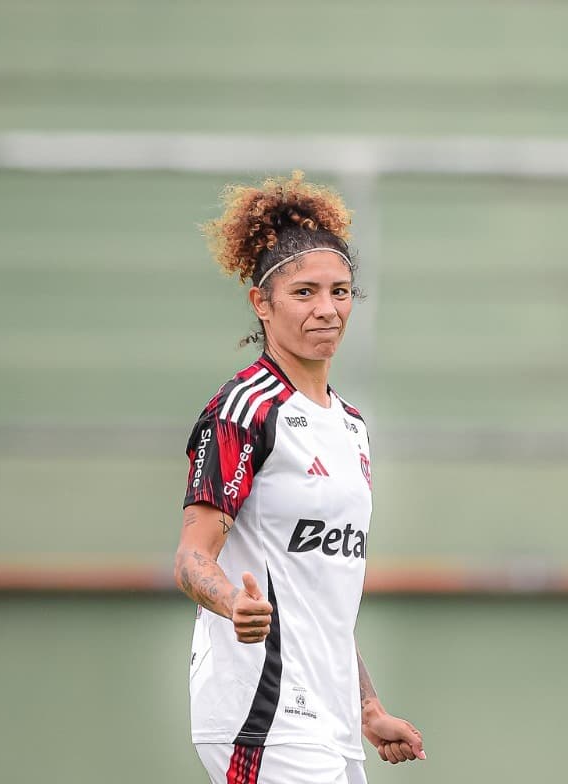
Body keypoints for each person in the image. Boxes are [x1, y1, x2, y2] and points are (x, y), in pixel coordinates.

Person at [174, 171, 425, 783]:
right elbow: (190, 559)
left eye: (340, 292)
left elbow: (320, 595)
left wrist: (367, 706)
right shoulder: (246, 409)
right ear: (263, 303)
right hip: (261, 708)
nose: (327, 309)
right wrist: (232, 602)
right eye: (305, 292)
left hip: (332, 718)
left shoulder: (352, 427)